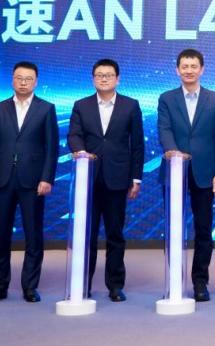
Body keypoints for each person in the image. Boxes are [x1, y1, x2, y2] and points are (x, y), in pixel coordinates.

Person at [0, 61, 58, 303]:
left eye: (28, 79)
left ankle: (30, 287)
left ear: (36, 82)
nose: (23, 83)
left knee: (33, 235)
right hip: (2, 178)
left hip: (33, 180)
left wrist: (46, 178)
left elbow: (51, 147)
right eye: (19, 78)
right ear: (12, 80)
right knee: (0, 235)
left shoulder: (46, 108)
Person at [67, 58, 144, 302]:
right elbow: (74, 135)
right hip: (88, 179)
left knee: (115, 234)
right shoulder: (81, 105)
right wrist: (81, 153)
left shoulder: (130, 105)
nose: (103, 78)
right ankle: (83, 284)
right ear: (93, 79)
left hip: (118, 179)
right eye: (99, 75)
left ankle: (115, 286)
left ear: (117, 79)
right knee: (86, 235)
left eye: (108, 75)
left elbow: (137, 145)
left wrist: (136, 178)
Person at [157, 48, 215, 302]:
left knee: (203, 229)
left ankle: (200, 281)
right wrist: (173, 153)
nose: (189, 70)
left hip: (205, 173)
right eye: (184, 66)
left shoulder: (214, 99)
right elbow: (164, 130)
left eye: (193, 66)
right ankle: (174, 279)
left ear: (202, 69)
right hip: (174, 171)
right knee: (173, 228)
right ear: (177, 70)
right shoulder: (166, 98)